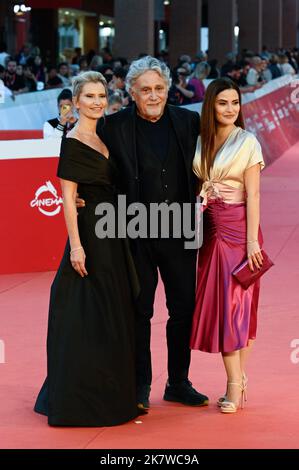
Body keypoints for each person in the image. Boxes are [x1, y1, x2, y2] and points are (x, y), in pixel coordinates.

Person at [78, 56, 209, 409]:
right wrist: (81, 195)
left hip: (181, 226)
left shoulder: (188, 120)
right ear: (131, 92)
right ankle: (140, 386)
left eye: (160, 89)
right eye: (146, 90)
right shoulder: (113, 126)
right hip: (134, 229)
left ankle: (178, 382)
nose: (154, 96)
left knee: (184, 307)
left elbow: (211, 159)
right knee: (140, 309)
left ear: (168, 89)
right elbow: (93, 165)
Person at [34, 71, 142, 426]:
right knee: (87, 311)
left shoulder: (106, 135)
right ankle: (82, 396)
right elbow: (67, 199)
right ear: (75, 102)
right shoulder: (74, 141)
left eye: (101, 96)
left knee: (113, 309)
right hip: (91, 235)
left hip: (115, 231)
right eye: (90, 97)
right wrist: (76, 248)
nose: (97, 102)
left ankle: (113, 388)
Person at [190, 78, 265, 413]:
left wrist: (251, 242)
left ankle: (234, 384)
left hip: (239, 232)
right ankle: (239, 379)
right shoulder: (201, 140)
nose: (230, 109)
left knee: (237, 308)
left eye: (235, 102)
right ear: (211, 106)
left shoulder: (247, 141)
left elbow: (255, 193)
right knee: (227, 309)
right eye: (223, 103)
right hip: (209, 231)